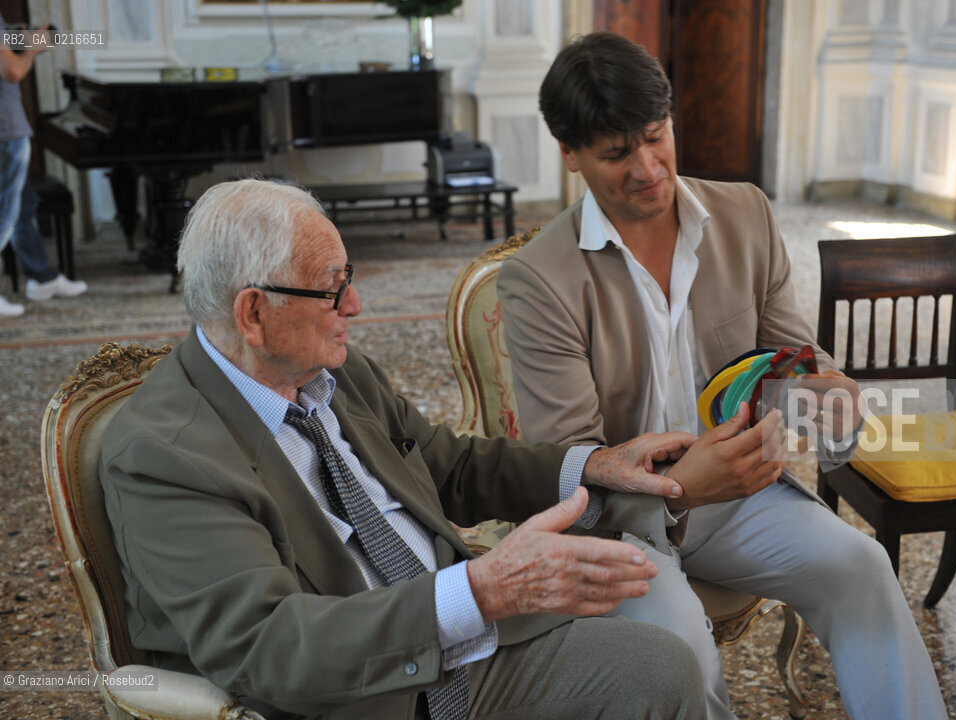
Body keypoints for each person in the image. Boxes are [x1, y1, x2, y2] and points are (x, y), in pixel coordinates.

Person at [99, 177, 718, 720]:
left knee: (661, 665)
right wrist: (480, 590)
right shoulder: (167, 454)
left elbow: (444, 463)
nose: (355, 306)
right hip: (360, 692)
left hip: (456, 636)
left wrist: (594, 463)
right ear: (254, 314)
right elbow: (271, 647)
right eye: (331, 289)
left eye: (350, 280)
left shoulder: (333, 372)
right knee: (655, 671)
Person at [497, 32, 949, 720]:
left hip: (739, 499)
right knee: (679, 655)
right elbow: (571, 460)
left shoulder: (745, 215)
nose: (649, 168)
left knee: (863, 567)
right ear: (570, 154)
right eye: (617, 153)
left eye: (656, 136)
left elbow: (793, 355)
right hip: (621, 525)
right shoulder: (539, 278)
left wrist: (828, 393)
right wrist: (678, 493)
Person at [0, 14, 86, 317]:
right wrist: (35, 48)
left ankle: (42, 278)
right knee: (5, 213)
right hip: (5, 129)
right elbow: (11, 70)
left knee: (22, 205)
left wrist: (17, 42)